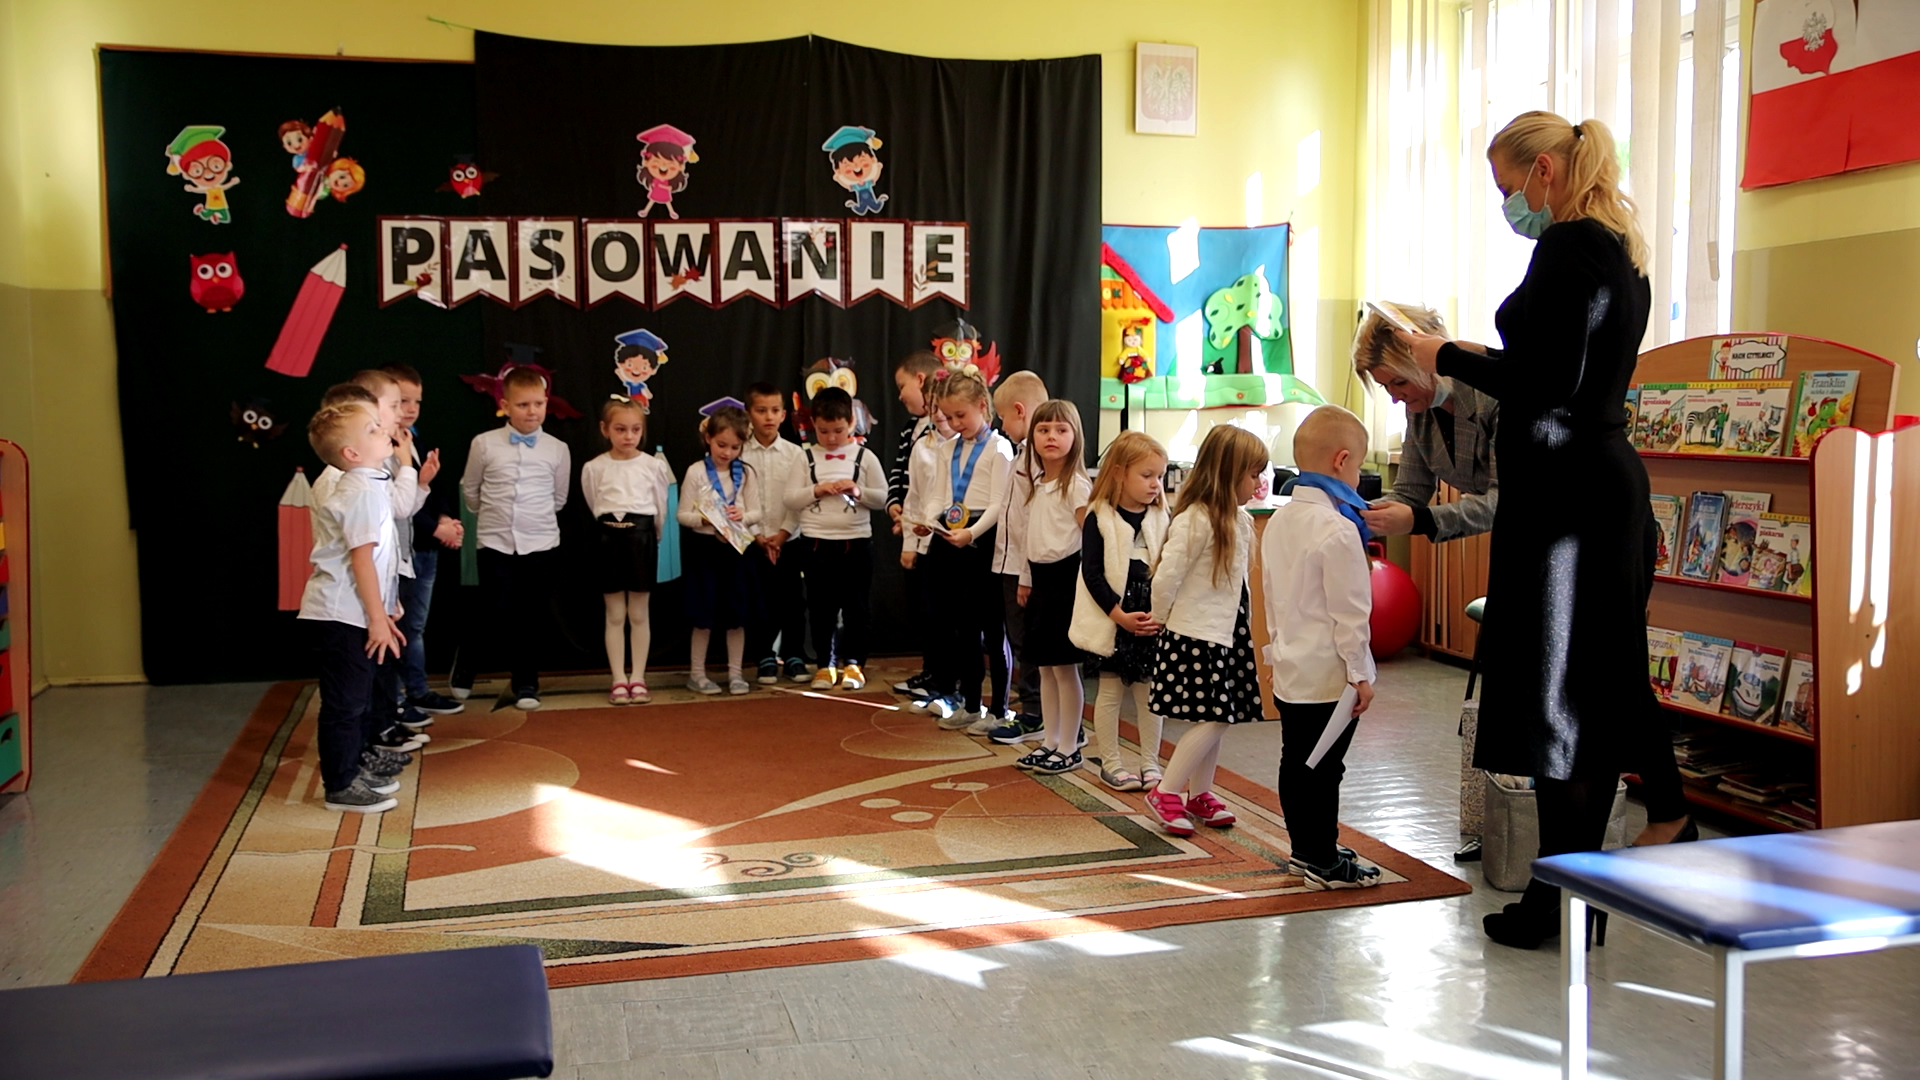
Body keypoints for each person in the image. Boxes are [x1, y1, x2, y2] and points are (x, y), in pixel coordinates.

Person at [1399, 110, 1693, 949]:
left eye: (1506, 186)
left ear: (1545, 173)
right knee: (1593, 688)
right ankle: (1580, 886)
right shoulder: (1618, 248)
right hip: (1590, 490)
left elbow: (1547, 382)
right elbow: (1567, 372)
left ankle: (1563, 896)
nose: (1507, 203)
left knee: (1562, 704)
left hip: (1569, 501)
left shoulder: (1568, 245)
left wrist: (1445, 355)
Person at [1352, 304, 1500, 863]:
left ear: (1424, 361)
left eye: (1397, 383)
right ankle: (1493, 821)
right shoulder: (1421, 414)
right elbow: (1410, 492)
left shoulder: (1495, 397)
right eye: (1385, 387)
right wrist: (1359, 511)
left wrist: (1421, 521)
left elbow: (1508, 501)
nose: (1394, 398)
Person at [1262, 406, 1383, 890]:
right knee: (1325, 767)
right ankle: (1322, 860)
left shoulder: (1280, 519)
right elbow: (1351, 614)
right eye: (1359, 465)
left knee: (1297, 760)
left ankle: (1307, 848)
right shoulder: (1338, 529)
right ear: (1342, 460)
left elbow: (1271, 595)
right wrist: (1361, 674)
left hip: (1291, 664)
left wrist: (1274, 653)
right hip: (1330, 675)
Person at [1142, 425, 1269, 837]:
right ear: (1229, 473)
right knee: (1214, 718)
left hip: (1227, 636)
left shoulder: (1240, 520)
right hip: (1195, 636)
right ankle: (1166, 791)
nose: (1258, 483)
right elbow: (1167, 576)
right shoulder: (1195, 519)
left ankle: (1200, 794)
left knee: (1220, 717)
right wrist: (1160, 617)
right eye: (1252, 474)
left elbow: (1240, 584)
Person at [297, 401, 410, 813]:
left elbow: (381, 557)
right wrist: (377, 618)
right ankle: (341, 784)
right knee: (345, 703)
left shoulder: (371, 485)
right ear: (352, 453)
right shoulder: (359, 492)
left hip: (356, 611)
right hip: (340, 613)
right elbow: (362, 560)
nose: (384, 431)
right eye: (373, 429)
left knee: (359, 697)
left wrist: (387, 604)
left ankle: (355, 765)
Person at [460, 367, 570, 712]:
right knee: (496, 609)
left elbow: (559, 498)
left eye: (539, 404)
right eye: (523, 405)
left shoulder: (557, 449)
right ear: (505, 405)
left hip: (541, 544)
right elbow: (471, 491)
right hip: (496, 543)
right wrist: (495, 516)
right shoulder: (484, 444)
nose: (532, 411)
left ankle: (526, 681)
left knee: (532, 615)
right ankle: (467, 660)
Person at [911, 371, 1015, 729]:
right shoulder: (947, 448)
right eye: (949, 417)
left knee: (992, 629)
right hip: (951, 536)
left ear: (983, 406)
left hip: (984, 539)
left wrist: (971, 533)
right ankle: (971, 704)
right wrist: (929, 520)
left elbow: (1000, 503)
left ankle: (1000, 709)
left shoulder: (1000, 448)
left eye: (961, 415)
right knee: (963, 627)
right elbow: (939, 495)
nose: (955, 424)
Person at [1069, 432, 1170, 793]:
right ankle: (1111, 762)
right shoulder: (1099, 516)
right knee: (1110, 692)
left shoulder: (1161, 516)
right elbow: (1092, 573)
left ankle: (1150, 763)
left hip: (1150, 618)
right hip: (1114, 616)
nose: (1155, 484)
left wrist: (1160, 613)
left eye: (1160, 476)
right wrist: (1120, 616)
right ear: (1119, 474)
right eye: (1147, 475)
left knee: (1149, 694)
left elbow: (1170, 567)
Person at [784, 387, 888, 691]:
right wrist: (816, 490)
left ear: (851, 424)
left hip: (856, 542)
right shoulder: (805, 458)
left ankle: (854, 664)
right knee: (821, 608)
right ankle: (825, 665)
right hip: (816, 543)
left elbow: (882, 498)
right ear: (813, 425)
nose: (831, 438)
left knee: (857, 607)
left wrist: (858, 491)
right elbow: (790, 499)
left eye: (838, 431)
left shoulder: (865, 457)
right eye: (824, 431)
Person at [381, 364, 467, 720]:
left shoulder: (415, 439)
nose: (411, 409)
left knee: (414, 627)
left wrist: (445, 519)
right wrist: (436, 529)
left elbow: (432, 486)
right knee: (396, 628)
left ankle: (417, 691)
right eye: (402, 401)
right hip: (402, 551)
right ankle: (397, 699)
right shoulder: (381, 448)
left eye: (416, 401)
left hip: (425, 550)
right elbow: (396, 505)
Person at [1012, 400, 1093, 772]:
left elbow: (1091, 537)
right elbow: (1030, 536)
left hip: (1066, 581)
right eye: (1043, 430)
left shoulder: (1075, 485)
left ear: (1075, 437)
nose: (1051, 437)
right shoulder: (1038, 484)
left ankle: (1070, 745)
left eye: (1061, 430)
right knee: (1045, 667)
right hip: (1041, 580)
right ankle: (1051, 740)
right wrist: (1025, 579)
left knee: (1064, 668)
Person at [582, 397, 673, 704]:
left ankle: (638, 677)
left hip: (641, 540)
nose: (628, 436)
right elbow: (594, 503)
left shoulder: (653, 466)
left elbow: (660, 506)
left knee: (638, 612)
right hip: (608, 540)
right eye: (620, 429)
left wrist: (652, 536)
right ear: (605, 429)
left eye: (635, 429)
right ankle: (618, 678)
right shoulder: (594, 467)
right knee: (614, 613)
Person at [677, 404, 762, 695]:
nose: (727, 452)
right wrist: (704, 519)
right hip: (705, 550)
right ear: (708, 438)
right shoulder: (696, 471)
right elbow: (682, 515)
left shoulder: (746, 473)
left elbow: (757, 512)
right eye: (721, 445)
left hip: (737, 549)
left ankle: (736, 674)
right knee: (703, 615)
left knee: (736, 615)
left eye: (735, 447)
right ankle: (697, 674)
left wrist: (742, 515)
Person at [982, 371, 1048, 743]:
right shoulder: (1023, 454)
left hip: (1026, 568)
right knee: (1022, 640)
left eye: (1003, 417)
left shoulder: (1039, 459)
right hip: (1010, 565)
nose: (1001, 425)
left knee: (1030, 642)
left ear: (1020, 411)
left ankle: (1036, 713)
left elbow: (1034, 521)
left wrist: (1026, 573)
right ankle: (1035, 710)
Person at [741, 383, 809, 684]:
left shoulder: (795, 454)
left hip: (788, 540)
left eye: (774, 410)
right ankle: (764, 655)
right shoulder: (739, 453)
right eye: (761, 410)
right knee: (758, 600)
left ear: (783, 414)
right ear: (748, 414)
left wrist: (782, 535)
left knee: (792, 600)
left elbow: (800, 499)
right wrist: (757, 535)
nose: (768, 417)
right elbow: (737, 499)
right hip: (752, 540)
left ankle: (794, 654)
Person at [889, 351, 943, 700]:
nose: (900, 395)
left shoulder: (946, 434)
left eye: (902, 386)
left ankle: (943, 678)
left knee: (937, 612)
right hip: (914, 531)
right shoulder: (913, 429)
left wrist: (921, 524)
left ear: (921, 380)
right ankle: (931, 671)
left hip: (937, 534)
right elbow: (904, 477)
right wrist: (896, 506)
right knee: (921, 610)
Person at [901, 403, 961, 716]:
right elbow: (914, 497)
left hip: (959, 541)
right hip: (927, 542)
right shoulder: (921, 446)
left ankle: (953, 687)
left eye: (947, 410)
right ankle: (937, 681)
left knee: (954, 619)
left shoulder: (970, 447)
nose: (940, 415)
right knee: (930, 615)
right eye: (934, 407)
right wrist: (909, 542)